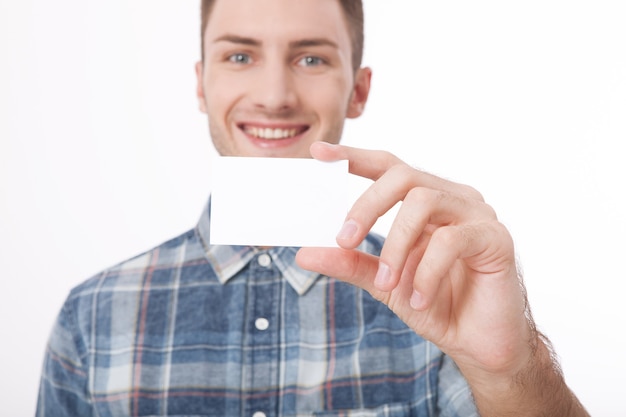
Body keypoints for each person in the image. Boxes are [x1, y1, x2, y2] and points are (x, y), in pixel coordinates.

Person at [36, 0, 590, 415]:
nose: (275, 94)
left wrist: (511, 369)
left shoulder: (435, 300)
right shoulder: (92, 318)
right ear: (201, 83)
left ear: (358, 89)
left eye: (310, 58)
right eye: (239, 55)